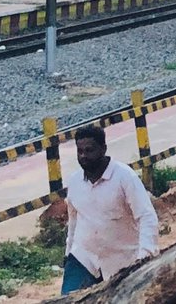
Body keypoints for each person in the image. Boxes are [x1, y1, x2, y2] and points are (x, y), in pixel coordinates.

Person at [61, 125, 160, 294]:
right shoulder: (75, 182)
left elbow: (146, 217)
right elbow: (74, 220)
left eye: (89, 150)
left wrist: (144, 256)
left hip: (123, 261)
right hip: (84, 257)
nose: (84, 156)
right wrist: (68, 251)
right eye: (80, 151)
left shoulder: (125, 177)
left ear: (103, 149)